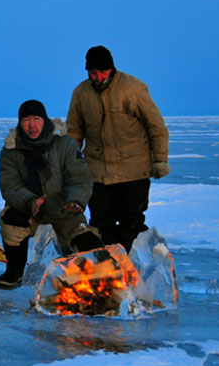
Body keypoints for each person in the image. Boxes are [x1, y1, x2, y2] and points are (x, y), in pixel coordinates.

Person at [66, 45, 170, 253]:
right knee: (101, 224)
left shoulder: (133, 88)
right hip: (97, 172)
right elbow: (74, 133)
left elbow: (156, 127)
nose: (98, 77)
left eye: (102, 71)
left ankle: (133, 269)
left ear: (111, 68)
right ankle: (109, 271)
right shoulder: (81, 93)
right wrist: (70, 165)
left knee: (131, 223)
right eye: (93, 72)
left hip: (134, 170)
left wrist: (160, 160)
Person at [0, 99, 103, 288]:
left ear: (44, 120)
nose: (32, 125)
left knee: (86, 240)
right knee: (11, 221)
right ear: (20, 123)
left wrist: (75, 201)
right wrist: (30, 201)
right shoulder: (11, 150)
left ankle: (92, 280)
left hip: (63, 206)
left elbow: (79, 178)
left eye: (36, 118)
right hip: (29, 207)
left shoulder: (65, 144)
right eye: (26, 120)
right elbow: (10, 186)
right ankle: (15, 270)